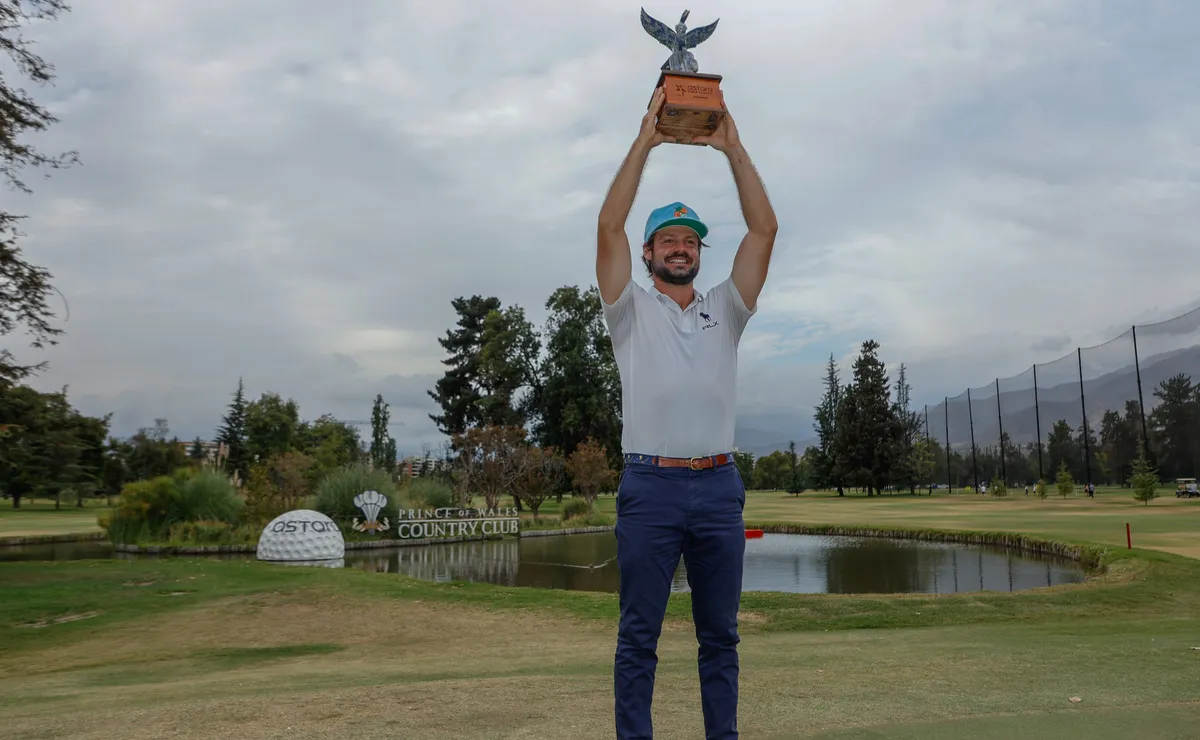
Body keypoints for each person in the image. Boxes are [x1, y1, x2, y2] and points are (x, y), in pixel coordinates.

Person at [596, 86, 778, 740]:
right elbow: (608, 227)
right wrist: (646, 139)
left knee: (720, 636)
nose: (679, 247)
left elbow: (764, 231)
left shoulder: (725, 308)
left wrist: (732, 148)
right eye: (667, 240)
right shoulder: (628, 309)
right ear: (648, 253)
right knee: (638, 635)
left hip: (718, 485)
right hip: (651, 486)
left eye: (689, 241)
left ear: (700, 253)